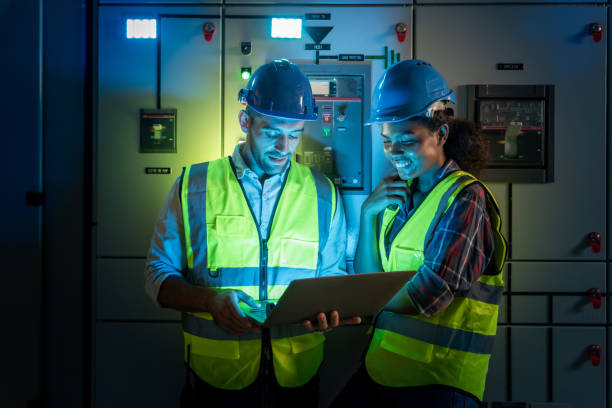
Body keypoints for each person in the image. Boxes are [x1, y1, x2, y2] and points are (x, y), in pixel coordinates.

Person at [144, 59, 359, 408]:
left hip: (297, 377)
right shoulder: (194, 186)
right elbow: (156, 279)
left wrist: (329, 312)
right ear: (246, 121)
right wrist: (209, 302)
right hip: (216, 378)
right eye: (272, 133)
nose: (284, 147)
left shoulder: (323, 194)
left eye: (294, 135)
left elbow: (333, 275)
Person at [333, 60, 507, 407]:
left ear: (440, 134)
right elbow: (370, 276)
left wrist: (356, 299)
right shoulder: (398, 195)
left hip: (440, 384)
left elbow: (427, 296)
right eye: (386, 142)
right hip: (385, 370)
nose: (394, 153)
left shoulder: (465, 199)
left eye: (406, 141)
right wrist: (369, 215)